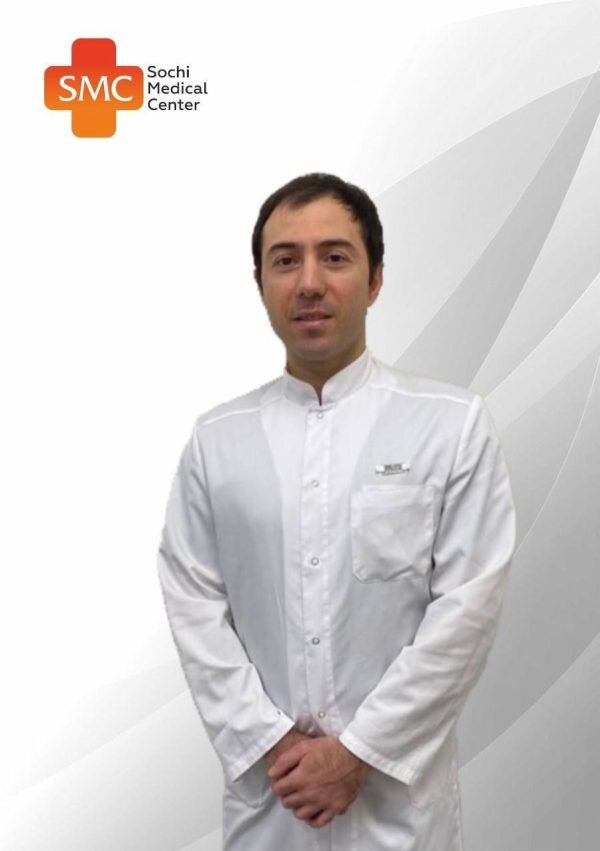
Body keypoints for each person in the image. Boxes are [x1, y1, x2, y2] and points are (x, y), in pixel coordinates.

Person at [156, 172, 517, 851]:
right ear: (260, 283)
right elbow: (194, 602)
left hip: (398, 808)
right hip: (273, 800)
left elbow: (468, 608)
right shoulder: (217, 442)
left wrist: (359, 752)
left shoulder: (450, 426)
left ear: (375, 278)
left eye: (335, 256)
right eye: (285, 260)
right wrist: (270, 741)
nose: (309, 282)